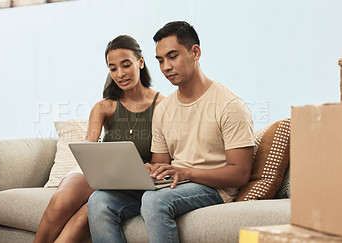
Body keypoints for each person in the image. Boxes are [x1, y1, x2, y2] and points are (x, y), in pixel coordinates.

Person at [87, 21, 255, 243]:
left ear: (195, 52)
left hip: (213, 189)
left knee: (156, 201)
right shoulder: (164, 109)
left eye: (172, 56)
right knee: (99, 201)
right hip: (174, 184)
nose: (166, 66)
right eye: (160, 60)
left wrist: (187, 173)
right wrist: (147, 170)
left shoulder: (229, 105)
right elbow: (161, 163)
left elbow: (240, 173)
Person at [33, 35, 164, 243]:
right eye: (113, 68)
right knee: (60, 201)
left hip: (132, 183)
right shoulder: (104, 107)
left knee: (83, 219)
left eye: (126, 65)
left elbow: (162, 160)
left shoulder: (161, 106)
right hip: (100, 174)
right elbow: (89, 147)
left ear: (140, 62)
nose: (120, 74)